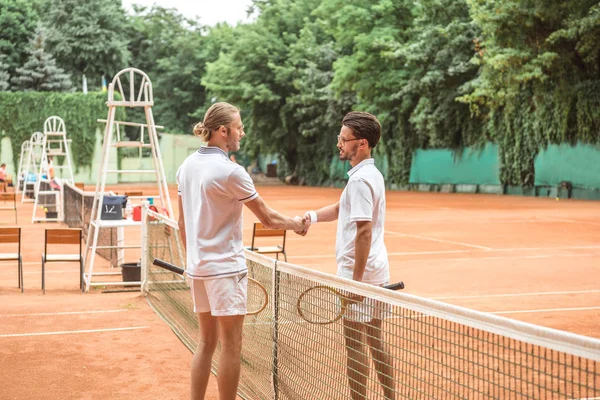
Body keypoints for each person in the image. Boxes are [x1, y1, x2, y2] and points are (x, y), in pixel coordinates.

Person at [177, 102, 306, 400]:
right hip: (225, 270)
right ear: (223, 131)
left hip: (198, 269)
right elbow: (269, 218)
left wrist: (191, 260)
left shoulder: (186, 167)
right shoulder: (232, 172)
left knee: (206, 342)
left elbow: (182, 223)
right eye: (239, 127)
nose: (242, 133)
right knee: (231, 346)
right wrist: (297, 223)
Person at [302, 111, 395, 400]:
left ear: (362, 143)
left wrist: (354, 282)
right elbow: (344, 207)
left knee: (354, 343)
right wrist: (310, 217)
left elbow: (363, 230)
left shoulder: (359, 180)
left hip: (359, 272)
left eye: (344, 139)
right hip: (376, 270)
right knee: (376, 339)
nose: (339, 144)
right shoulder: (370, 175)